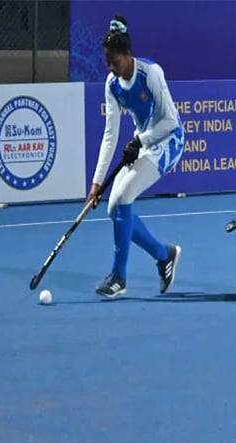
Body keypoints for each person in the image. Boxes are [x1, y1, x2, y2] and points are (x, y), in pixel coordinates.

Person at [87, 16, 184, 298]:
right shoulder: (112, 84)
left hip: (169, 142)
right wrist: (96, 183)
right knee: (113, 209)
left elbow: (170, 123)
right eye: (107, 62)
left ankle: (119, 277)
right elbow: (110, 135)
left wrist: (140, 140)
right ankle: (164, 254)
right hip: (143, 144)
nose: (110, 68)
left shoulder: (150, 73)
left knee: (125, 197)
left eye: (114, 62)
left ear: (127, 56)